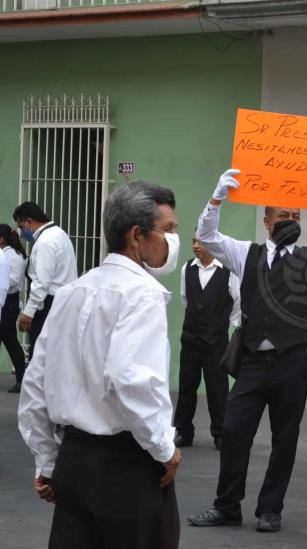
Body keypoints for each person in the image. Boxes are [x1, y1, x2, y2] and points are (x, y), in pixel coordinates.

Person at [188, 169, 307, 533]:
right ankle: (227, 506)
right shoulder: (245, 253)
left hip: (292, 362)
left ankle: (270, 509)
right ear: (267, 220)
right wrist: (216, 197)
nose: (291, 222)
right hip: (253, 361)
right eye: (284, 216)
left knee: (284, 440)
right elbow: (206, 237)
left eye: (297, 217)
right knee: (235, 432)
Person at [18, 181, 182, 549]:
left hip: (75, 462)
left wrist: (47, 460)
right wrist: (164, 448)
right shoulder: (144, 294)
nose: (174, 240)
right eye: (168, 230)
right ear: (137, 236)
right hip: (127, 467)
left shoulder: (73, 291)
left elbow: (35, 384)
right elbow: (131, 380)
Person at [173, 233, 241, 450]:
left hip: (216, 341)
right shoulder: (187, 269)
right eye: (193, 241)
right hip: (191, 339)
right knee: (186, 387)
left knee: (217, 389)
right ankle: (183, 432)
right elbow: (185, 299)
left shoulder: (228, 271)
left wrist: (223, 323)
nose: (195, 246)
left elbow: (238, 301)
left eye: (200, 242)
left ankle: (221, 434)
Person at [13, 202, 77, 361]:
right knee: (55, 353)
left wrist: (28, 313)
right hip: (62, 301)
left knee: (40, 354)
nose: (21, 233)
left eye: (21, 226)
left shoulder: (45, 242)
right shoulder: (59, 234)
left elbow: (41, 283)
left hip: (48, 304)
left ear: (29, 221)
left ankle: (39, 386)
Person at [0, 224, 28, 392]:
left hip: (9, 301)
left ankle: (21, 379)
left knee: (10, 340)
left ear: (2, 239)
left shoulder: (13, 256)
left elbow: (13, 280)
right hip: (6, 299)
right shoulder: (7, 254)